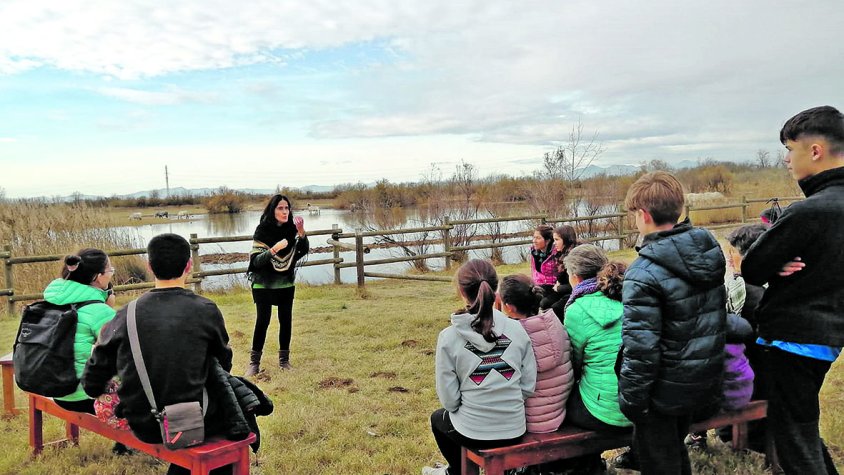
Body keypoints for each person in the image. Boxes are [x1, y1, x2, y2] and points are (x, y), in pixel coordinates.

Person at [742, 105, 844, 475]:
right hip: (827, 336)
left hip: (793, 340)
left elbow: (751, 267)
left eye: (790, 149)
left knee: (793, 440)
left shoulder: (809, 212)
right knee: (799, 426)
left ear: (814, 151)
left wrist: (774, 263)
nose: (786, 159)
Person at [82, 233, 235, 475]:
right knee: (238, 411)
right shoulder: (206, 310)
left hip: (144, 420)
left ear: (150, 266)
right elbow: (224, 365)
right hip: (195, 417)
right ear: (188, 266)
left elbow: (92, 384)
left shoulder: (125, 315)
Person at [618, 171, 727, 475]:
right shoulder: (706, 253)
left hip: (662, 391)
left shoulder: (643, 273)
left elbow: (641, 348)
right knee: (673, 452)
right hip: (700, 379)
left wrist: (632, 400)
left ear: (643, 215)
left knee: (660, 462)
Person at [423, 259, 537, 475]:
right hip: (514, 428)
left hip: (472, 431)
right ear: (496, 290)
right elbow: (528, 385)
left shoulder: (449, 338)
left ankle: (455, 471)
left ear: (461, 291)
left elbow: (450, 400)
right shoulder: (517, 329)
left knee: (439, 418)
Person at [43, 248, 128, 454]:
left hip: (53, 387)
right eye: (110, 270)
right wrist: (109, 310)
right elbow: (122, 355)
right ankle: (125, 442)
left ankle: (123, 444)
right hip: (81, 397)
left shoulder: (54, 297)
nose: (111, 273)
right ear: (98, 277)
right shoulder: (98, 310)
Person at [560, 245, 632, 473]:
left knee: (563, 406)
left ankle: (586, 465)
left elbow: (573, 363)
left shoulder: (577, 309)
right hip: (640, 402)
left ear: (574, 276)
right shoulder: (626, 295)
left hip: (607, 411)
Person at [498, 273, 574, 434]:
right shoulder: (555, 324)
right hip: (557, 413)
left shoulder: (512, 337)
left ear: (509, 306)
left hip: (527, 420)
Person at [245, 194, 309, 376]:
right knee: (262, 321)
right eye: (280, 208)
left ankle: (284, 361)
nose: (284, 211)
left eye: (287, 208)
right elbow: (256, 261)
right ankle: (254, 364)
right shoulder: (262, 231)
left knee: (285, 321)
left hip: (285, 283)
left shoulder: (292, 229)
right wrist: (274, 249)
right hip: (263, 284)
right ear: (273, 210)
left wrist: (301, 231)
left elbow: (303, 250)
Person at [540, 224, 578, 317]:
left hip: (572, 291)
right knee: (542, 298)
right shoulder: (560, 254)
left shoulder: (574, 258)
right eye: (554, 240)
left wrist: (558, 288)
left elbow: (576, 284)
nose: (554, 243)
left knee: (555, 308)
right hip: (562, 287)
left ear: (566, 240)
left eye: (557, 240)